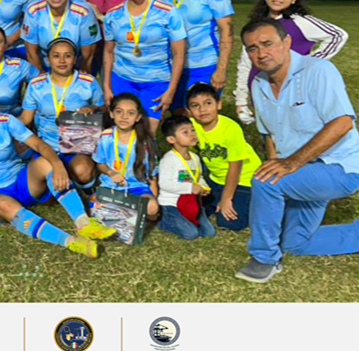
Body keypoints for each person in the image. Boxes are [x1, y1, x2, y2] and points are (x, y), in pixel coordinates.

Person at [235, 18, 359, 283]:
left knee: (265, 182)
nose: (261, 53)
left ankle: (264, 258)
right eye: (252, 48)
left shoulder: (318, 71)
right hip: (304, 169)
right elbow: (268, 133)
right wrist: (276, 164)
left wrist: (290, 165)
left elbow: (342, 123)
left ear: (287, 42)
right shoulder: (258, 84)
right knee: (295, 243)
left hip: (339, 168)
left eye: (267, 44)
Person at [0, 80, 113, 258]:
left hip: (20, 181)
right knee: (5, 206)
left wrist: (58, 166)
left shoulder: (6, 121)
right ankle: (72, 242)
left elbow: (39, 145)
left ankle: (85, 223)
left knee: (45, 162)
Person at [233, 0, 349, 125]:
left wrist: (309, 63)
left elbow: (338, 35)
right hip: (260, 88)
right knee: (270, 136)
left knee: (295, 135)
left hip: (292, 91)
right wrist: (241, 101)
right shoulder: (256, 25)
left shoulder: (300, 22)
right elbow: (245, 63)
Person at [102, 0, 188, 135]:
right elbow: (108, 52)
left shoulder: (168, 13)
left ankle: (148, 162)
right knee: (122, 131)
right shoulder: (113, 15)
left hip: (156, 81)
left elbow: (179, 54)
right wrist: (106, 86)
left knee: (146, 134)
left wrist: (171, 91)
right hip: (122, 79)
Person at [153, 0, 234, 113]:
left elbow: (227, 30)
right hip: (173, 66)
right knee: (179, 116)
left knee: (202, 115)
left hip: (204, 62)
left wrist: (221, 69)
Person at [20, 39, 103, 191]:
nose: (62, 61)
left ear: (75, 58)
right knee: (42, 183)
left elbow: (103, 108)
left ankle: (79, 181)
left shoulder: (87, 81)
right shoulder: (36, 85)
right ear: (48, 59)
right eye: (56, 56)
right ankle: (63, 178)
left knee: (83, 172)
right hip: (47, 145)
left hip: (77, 144)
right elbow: (26, 119)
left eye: (68, 56)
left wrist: (92, 108)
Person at [184, 83, 258, 231]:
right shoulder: (191, 127)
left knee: (229, 222)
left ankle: (259, 203)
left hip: (244, 179)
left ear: (219, 105)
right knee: (191, 210)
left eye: (208, 103)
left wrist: (226, 199)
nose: (202, 109)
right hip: (216, 179)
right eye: (195, 106)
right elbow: (183, 157)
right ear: (189, 111)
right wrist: (188, 183)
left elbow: (235, 166)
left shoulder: (230, 129)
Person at [93, 93, 161, 222]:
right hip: (110, 186)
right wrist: (111, 172)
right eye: (119, 112)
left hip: (137, 187)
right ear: (111, 114)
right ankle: (126, 211)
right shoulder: (105, 137)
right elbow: (99, 164)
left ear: (138, 117)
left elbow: (152, 176)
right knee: (94, 212)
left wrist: (154, 199)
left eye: (130, 113)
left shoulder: (145, 141)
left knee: (151, 208)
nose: (124, 117)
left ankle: (126, 210)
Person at [23, 0, 102, 72]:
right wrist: (41, 82)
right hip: (45, 67)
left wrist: (81, 81)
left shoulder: (83, 11)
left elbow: (88, 55)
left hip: (75, 68)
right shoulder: (33, 10)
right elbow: (31, 52)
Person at [156, 115, 216, 240]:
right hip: (172, 204)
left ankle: (191, 219)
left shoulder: (195, 157)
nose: (192, 134)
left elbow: (198, 177)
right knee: (190, 234)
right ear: (171, 139)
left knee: (209, 233)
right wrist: (190, 188)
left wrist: (204, 187)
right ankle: (162, 220)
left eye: (193, 130)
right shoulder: (169, 159)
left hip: (191, 203)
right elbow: (164, 184)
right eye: (185, 132)